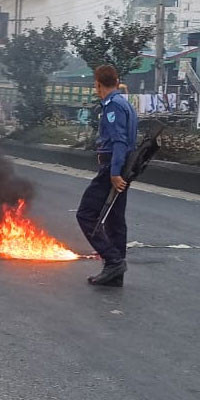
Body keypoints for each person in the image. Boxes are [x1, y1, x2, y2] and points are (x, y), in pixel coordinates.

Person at [75, 64, 138, 287]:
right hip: (124, 168)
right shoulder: (126, 103)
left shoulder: (113, 106)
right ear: (117, 80)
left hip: (113, 168)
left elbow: (120, 141)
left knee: (85, 214)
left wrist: (113, 173)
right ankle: (115, 274)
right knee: (115, 220)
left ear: (97, 83)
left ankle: (113, 260)